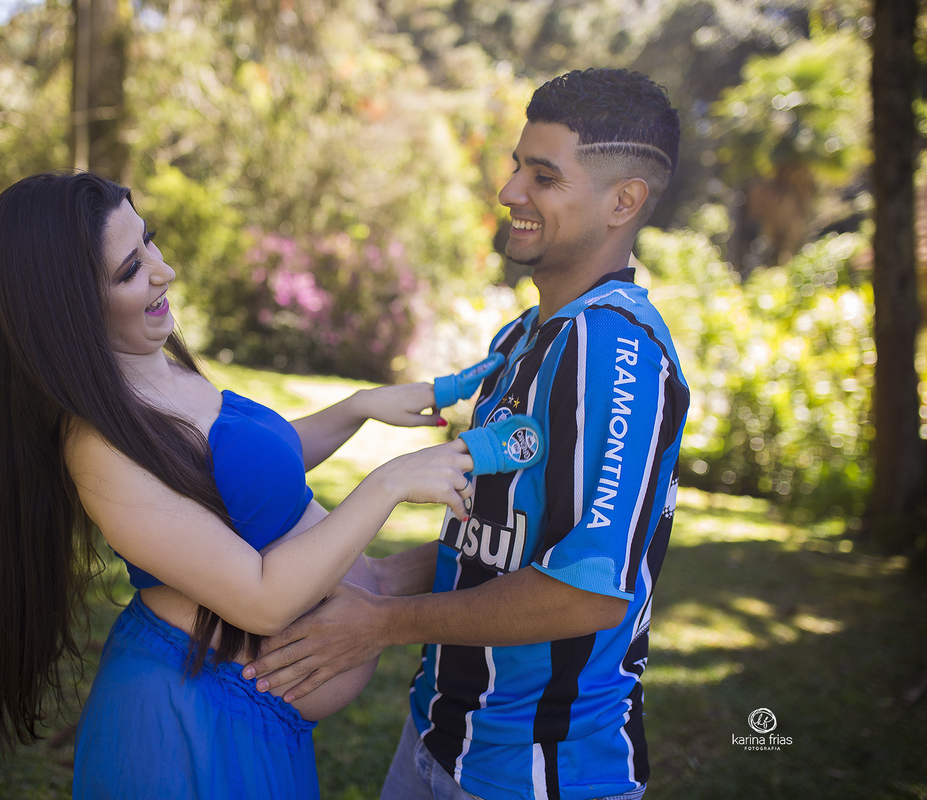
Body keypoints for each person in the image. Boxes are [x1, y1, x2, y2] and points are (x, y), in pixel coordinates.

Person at [243, 68, 692, 800]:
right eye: (518, 166)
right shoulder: (526, 335)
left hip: (538, 776)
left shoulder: (614, 351)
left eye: (543, 176)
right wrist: (382, 578)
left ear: (624, 201)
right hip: (438, 740)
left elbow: (587, 592)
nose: (511, 191)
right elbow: (509, 540)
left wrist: (383, 623)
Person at [0, 170, 478, 799]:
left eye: (148, 240)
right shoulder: (99, 449)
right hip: (196, 729)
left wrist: (357, 408)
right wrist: (388, 483)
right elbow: (261, 601)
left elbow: (250, 472)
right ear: (68, 310)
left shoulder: (154, 364)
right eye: (130, 270)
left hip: (244, 718)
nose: (163, 271)